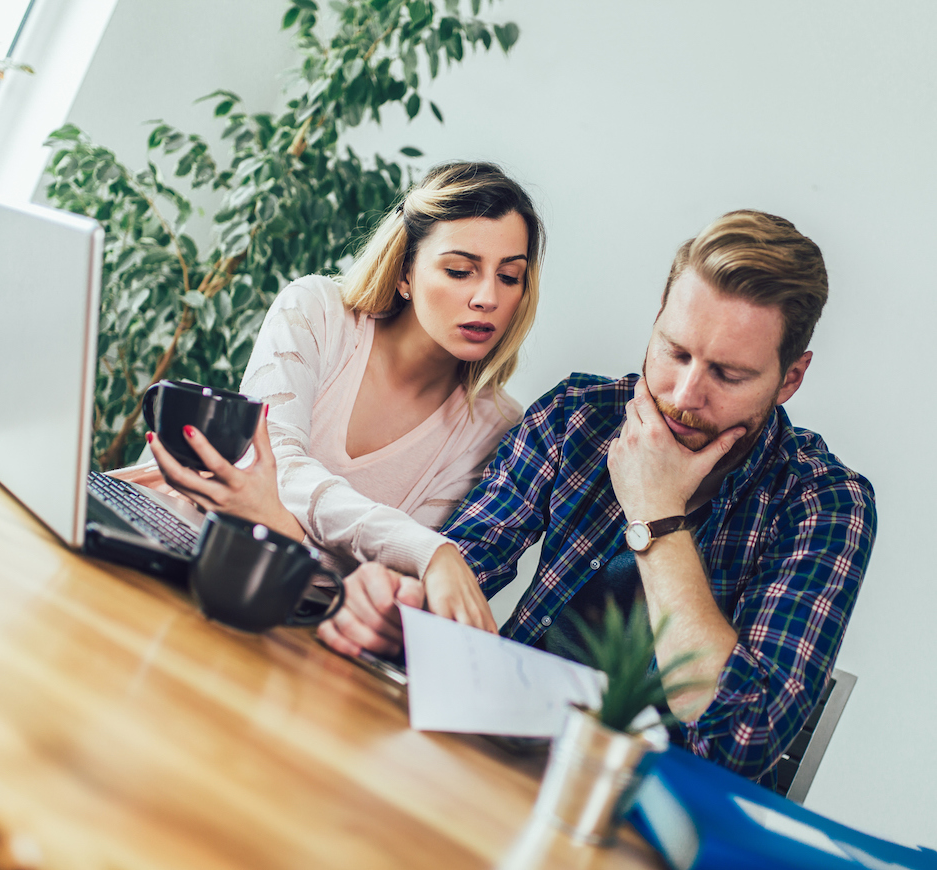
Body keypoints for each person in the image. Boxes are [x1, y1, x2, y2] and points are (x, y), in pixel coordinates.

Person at [318, 209, 877, 784]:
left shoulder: (825, 504)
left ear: (790, 378)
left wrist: (657, 516)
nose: (684, 395)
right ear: (657, 321)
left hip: (658, 814)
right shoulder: (578, 417)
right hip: (494, 758)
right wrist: (396, 608)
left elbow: (740, 736)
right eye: (675, 351)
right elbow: (463, 569)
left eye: (728, 376)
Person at [144, 161, 546, 626]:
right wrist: (430, 552)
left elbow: (384, 582)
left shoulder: (494, 426)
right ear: (406, 274)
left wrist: (278, 524)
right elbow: (276, 464)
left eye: (509, 277)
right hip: (164, 534)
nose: (487, 298)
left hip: (293, 620)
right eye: (460, 270)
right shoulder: (315, 312)